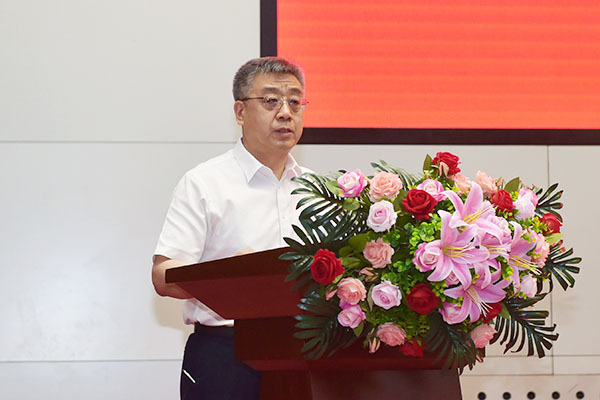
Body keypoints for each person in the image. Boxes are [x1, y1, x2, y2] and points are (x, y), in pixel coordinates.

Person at [152, 57, 309, 400]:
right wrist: (229, 277)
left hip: (307, 354)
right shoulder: (205, 183)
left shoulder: (316, 189)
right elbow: (163, 275)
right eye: (271, 100)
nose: (286, 112)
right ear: (240, 112)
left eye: (295, 102)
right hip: (226, 356)